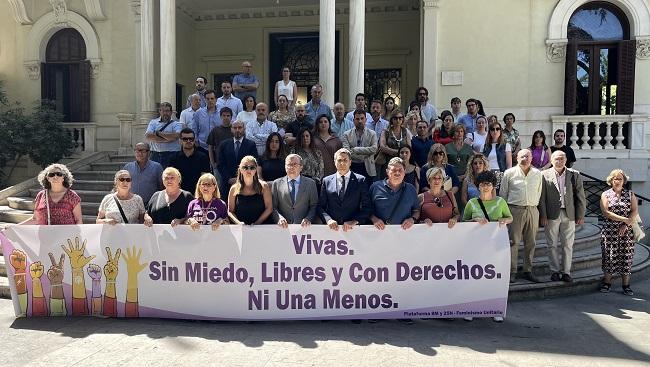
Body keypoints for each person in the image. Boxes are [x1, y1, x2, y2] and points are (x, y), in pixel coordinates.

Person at [463, 170, 512, 323]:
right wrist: (475, 219)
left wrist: (505, 220)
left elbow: (510, 217)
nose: (485, 187)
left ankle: (495, 308)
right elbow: (463, 223)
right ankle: (471, 308)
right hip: (475, 246)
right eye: (482, 184)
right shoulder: (472, 203)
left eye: (488, 184)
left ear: (493, 186)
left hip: (495, 245)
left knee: (494, 278)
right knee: (474, 277)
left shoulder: (500, 202)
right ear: (478, 186)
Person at [539, 151, 586, 283]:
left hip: (569, 214)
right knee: (551, 244)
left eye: (562, 158)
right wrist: (543, 215)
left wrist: (580, 214)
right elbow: (541, 198)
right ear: (552, 160)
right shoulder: (544, 174)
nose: (559, 161)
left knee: (567, 245)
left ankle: (566, 272)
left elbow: (580, 196)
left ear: (565, 160)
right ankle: (554, 271)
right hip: (551, 214)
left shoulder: (574, 174)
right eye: (556, 159)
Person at [500, 149, 543, 283]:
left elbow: (539, 192)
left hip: (532, 210)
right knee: (513, 242)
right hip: (514, 210)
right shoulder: (509, 173)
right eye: (522, 156)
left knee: (531, 242)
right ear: (517, 158)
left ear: (531, 158)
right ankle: (512, 271)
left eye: (528, 156)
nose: (525, 158)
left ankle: (527, 270)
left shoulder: (537, 173)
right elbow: (503, 194)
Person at [599, 169, 638, 296]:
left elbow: (634, 211)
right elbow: (606, 212)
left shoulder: (630, 194)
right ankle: (607, 283)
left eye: (620, 179)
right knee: (610, 257)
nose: (617, 181)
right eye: (615, 178)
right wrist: (624, 219)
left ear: (624, 181)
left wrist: (626, 224)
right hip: (610, 231)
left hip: (627, 231)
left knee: (626, 257)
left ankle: (626, 285)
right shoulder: (605, 194)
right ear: (611, 180)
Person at [319, 148, 372, 231]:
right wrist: (328, 220)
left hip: (353, 229)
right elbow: (320, 206)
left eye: (345, 160)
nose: (342, 163)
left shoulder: (361, 180)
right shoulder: (326, 181)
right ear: (335, 162)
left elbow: (367, 206)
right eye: (339, 160)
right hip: (332, 229)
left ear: (350, 162)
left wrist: (355, 221)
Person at [369, 157, 420, 230]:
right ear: (387, 171)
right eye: (394, 170)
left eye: (400, 170)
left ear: (404, 172)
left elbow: (416, 211)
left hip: (404, 233)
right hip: (379, 233)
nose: (397, 173)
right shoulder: (375, 187)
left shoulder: (411, 189)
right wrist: (374, 219)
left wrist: (412, 219)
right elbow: (366, 210)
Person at [271, 154, 319, 227]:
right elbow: (274, 207)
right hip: (283, 228)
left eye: (294, 164)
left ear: (301, 167)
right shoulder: (276, 183)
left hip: (304, 229)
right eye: (289, 164)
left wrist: (308, 218)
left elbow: (314, 206)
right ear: (285, 167)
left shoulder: (311, 183)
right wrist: (279, 218)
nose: (291, 167)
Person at [216, 120, 258, 197]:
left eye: (240, 127)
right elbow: (220, 164)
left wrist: (242, 178)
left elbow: (254, 164)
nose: (237, 130)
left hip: (246, 183)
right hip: (227, 184)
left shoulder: (251, 145)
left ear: (244, 129)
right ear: (231, 129)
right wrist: (229, 179)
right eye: (235, 128)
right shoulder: (224, 144)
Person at [228, 156, 273, 225]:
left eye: (252, 167)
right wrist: (238, 223)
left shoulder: (264, 186)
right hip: (241, 230)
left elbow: (269, 208)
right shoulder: (234, 188)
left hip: (261, 228)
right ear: (240, 169)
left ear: (256, 170)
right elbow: (230, 211)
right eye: (245, 167)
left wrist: (256, 223)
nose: (248, 170)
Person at [169, 128, 211, 192]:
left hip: (197, 193)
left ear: (194, 140)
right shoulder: (174, 158)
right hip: (178, 193)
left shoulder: (203, 157)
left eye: (191, 139)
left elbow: (205, 178)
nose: (188, 141)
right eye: (185, 139)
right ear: (180, 141)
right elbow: (171, 178)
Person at [341, 109, 378, 180]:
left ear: (366, 119)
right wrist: (365, 154)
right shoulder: (346, 134)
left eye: (362, 118)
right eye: (357, 119)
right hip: (352, 167)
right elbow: (347, 153)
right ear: (353, 120)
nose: (360, 121)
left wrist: (355, 150)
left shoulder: (372, 133)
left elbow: (374, 149)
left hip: (368, 169)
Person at [145, 102, 182, 168]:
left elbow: (176, 136)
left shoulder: (177, 124)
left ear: (171, 112)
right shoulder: (153, 122)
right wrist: (168, 139)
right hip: (155, 155)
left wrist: (158, 133)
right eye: (163, 111)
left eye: (167, 111)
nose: (165, 113)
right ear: (160, 111)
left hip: (172, 155)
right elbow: (148, 136)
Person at [377, 111, 411, 179]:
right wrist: (400, 152)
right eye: (395, 118)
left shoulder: (405, 131)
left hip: (402, 162)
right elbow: (383, 147)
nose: (398, 120)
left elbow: (409, 147)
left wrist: (390, 149)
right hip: (387, 162)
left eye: (400, 118)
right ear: (392, 119)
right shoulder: (386, 131)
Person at [482, 120, 513, 192]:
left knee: (499, 195)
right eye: (492, 129)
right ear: (489, 132)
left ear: (500, 131)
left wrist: (506, 176)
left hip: (500, 173)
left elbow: (509, 164)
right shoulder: (485, 146)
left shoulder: (506, 146)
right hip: (487, 173)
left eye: (497, 129)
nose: (495, 131)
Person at [207, 107, 235, 178]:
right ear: (220, 117)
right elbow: (210, 147)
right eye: (224, 115)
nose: (226, 117)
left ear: (231, 117)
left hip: (233, 164)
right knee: (219, 187)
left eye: (228, 116)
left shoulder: (235, 130)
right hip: (219, 165)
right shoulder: (215, 130)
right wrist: (213, 163)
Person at [190, 89, 219, 154]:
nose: (210, 101)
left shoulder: (222, 113)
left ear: (216, 99)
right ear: (204, 99)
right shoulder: (198, 113)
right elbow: (194, 129)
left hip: (218, 148)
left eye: (212, 98)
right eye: (207, 99)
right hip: (202, 148)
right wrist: (196, 142)